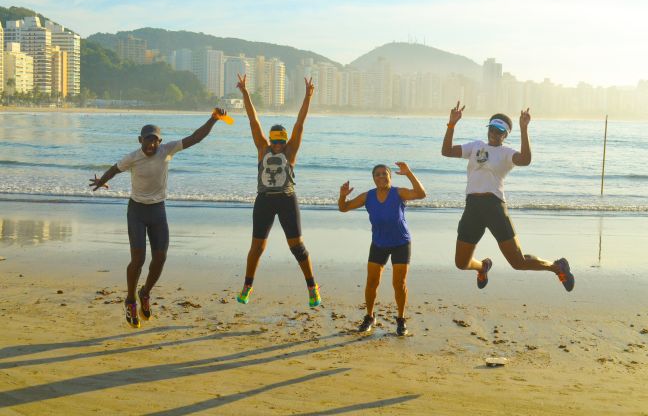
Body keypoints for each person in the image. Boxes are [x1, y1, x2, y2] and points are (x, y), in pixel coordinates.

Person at [89, 108, 228, 328]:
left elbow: (195, 138)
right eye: (147, 141)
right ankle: (130, 300)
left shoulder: (167, 150)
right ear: (140, 140)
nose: (151, 145)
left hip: (157, 211)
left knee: (160, 257)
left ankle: (145, 293)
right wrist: (102, 180)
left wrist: (213, 120)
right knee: (138, 259)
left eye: (155, 141)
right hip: (136, 211)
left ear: (160, 141)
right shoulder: (133, 157)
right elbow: (115, 169)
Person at [441, 102, 574, 291]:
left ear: (505, 135)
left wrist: (524, 128)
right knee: (461, 263)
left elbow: (525, 160)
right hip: (472, 208)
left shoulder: (506, 153)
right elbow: (446, 151)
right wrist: (451, 124)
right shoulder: (475, 146)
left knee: (518, 262)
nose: (495, 134)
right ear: (488, 129)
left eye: (500, 131)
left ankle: (557, 267)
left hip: (494, 207)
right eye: (493, 129)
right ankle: (483, 267)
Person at [235, 74, 321, 307]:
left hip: (286, 200)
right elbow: (254, 122)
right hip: (263, 201)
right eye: (275, 141)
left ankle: (312, 287)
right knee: (257, 248)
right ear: (270, 140)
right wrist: (245, 93)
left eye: (281, 141)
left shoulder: (290, 153)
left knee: (297, 247)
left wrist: (308, 97)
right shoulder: (262, 150)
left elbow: (299, 125)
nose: (278, 145)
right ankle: (247, 287)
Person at [338, 162, 426, 336]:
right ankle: (369, 316)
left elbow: (421, 194)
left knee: (399, 284)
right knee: (372, 282)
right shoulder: (368, 196)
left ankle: (401, 319)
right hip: (379, 243)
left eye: (384, 174)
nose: (381, 177)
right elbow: (343, 208)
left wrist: (408, 173)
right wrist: (342, 196)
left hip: (401, 242)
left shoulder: (398, 192)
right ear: (373, 178)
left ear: (390, 177)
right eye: (377, 174)